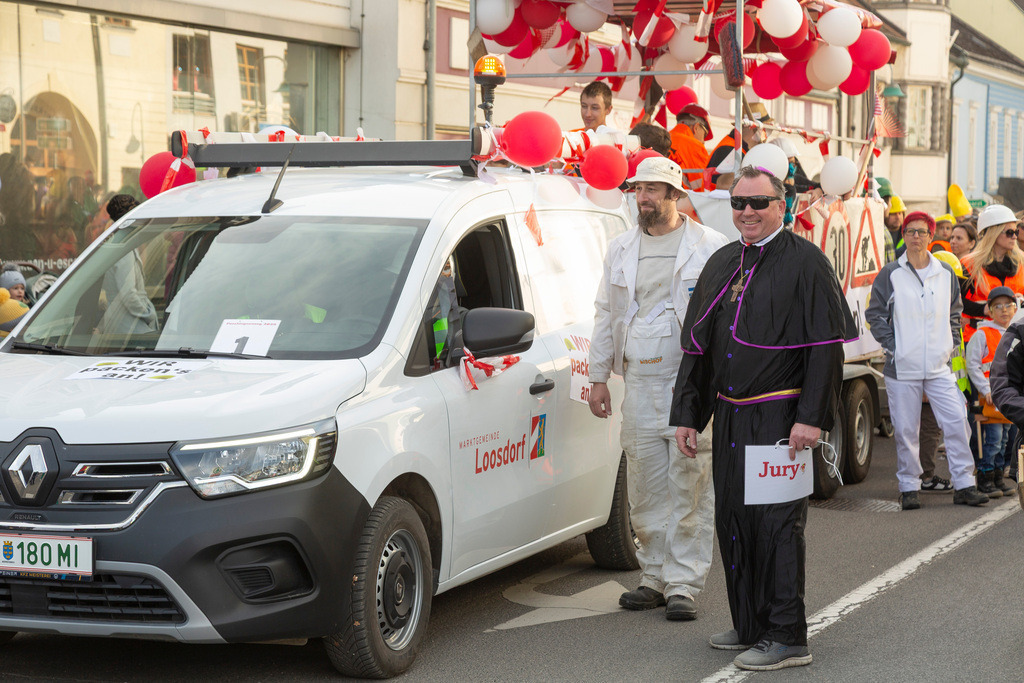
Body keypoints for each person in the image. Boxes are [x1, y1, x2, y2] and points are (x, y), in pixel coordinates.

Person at [670, 165, 856, 671]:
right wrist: (688, 415)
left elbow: (825, 349)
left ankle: (787, 634)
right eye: (738, 203)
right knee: (734, 520)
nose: (747, 212)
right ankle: (751, 623)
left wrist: (811, 418)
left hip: (781, 419)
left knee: (777, 526)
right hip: (731, 417)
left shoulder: (807, 262)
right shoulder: (722, 261)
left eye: (758, 203)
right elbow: (699, 350)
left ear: (782, 205)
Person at [589, 156, 728, 621]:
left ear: (674, 194)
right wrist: (597, 376)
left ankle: (683, 584)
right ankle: (652, 577)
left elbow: (726, 319)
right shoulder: (621, 248)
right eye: (637, 189)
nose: (642, 197)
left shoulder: (710, 246)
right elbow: (606, 312)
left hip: (688, 384)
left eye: (651, 189)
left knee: (690, 483)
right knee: (645, 485)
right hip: (639, 383)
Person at [865, 211, 990, 511]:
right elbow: (875, 315)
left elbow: (955, 313)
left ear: (931, 237)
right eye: (910, 231)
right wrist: (895, 347)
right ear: (904, 236)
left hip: (938, 367)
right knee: (906, 430)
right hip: (902, 368)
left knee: (957, 422)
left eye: (921, 232)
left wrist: (949, 345)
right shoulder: (890, 274)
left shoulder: (945, 273)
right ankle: (909, 487)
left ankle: (964, 484)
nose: (915, 236)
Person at [965, 286, 1018, 497]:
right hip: (990, 398)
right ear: (989, 310)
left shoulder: (1016, 333)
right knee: (993, 439)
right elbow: (973, 365)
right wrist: (986, 389)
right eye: (998, 306)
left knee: (1005, 440)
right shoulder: (982, 334)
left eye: (1008, 305)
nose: (1004, 310)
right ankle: (985, 477)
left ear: (1015, 309)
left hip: (1009, 397)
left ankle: (997, 477)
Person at [961, 204, 1024, 342]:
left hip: (1015, 339)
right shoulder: (968, 264)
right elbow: (956, 302)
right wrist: (983, 309)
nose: (1014, 237)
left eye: (1016, 232)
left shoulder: (1022, 262)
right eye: (1009, 232)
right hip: (980, 340)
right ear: (993, 233)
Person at [668, 104, 712, 190]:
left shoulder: (660, 138)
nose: (703, 141)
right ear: (696, 128)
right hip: (681, 196)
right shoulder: (696, 146)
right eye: (705, 134)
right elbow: (701, 188)